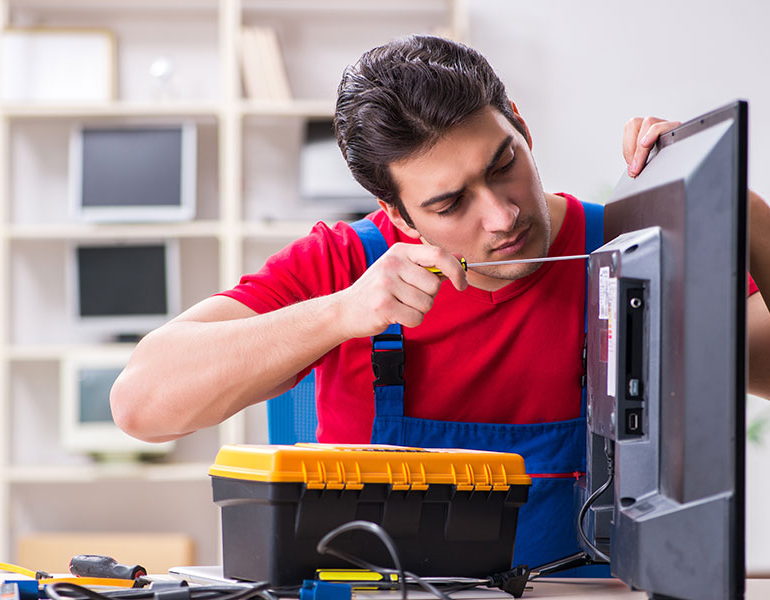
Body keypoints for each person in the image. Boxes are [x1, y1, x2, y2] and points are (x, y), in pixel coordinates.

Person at [110, 35, 770, 569]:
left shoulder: (632, 251)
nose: (504, 213)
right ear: (396, 217)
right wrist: (340, 313)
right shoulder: (340, 264)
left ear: (521, 126)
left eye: (503, 162)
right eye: (450, 203)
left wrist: (746, 213)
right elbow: (141, 404)